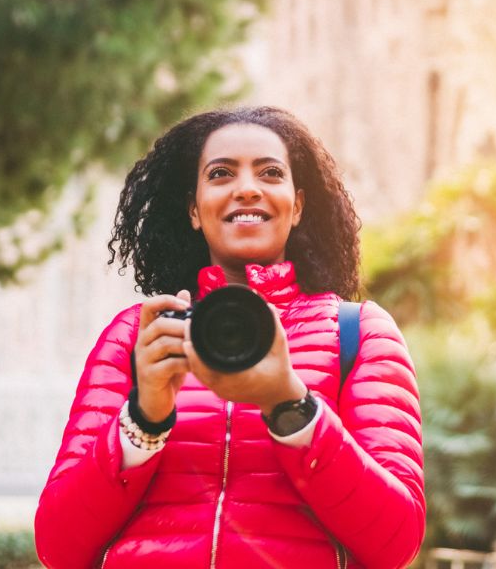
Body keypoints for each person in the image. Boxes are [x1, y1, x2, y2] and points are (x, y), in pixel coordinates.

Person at [34, 106, 425, 568]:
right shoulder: (137, 337)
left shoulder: (358, 335)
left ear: (297, 206)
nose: (246, 188)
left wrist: (291, 405)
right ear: (194, 210)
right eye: (220, 173)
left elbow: (395, 543)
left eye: (270, 173)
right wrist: (144, 419)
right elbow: (59, 546)